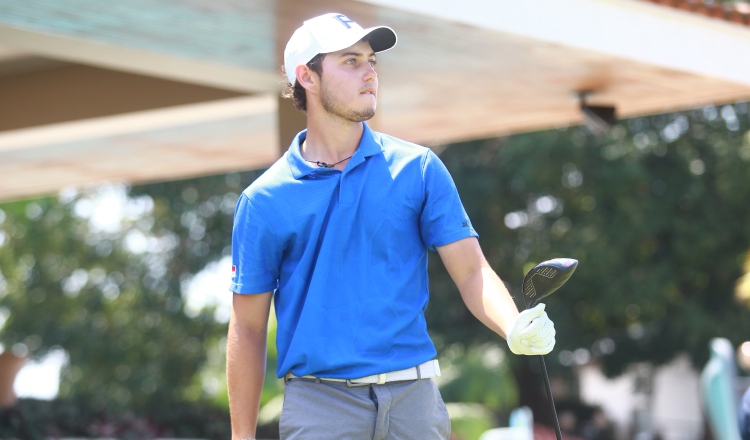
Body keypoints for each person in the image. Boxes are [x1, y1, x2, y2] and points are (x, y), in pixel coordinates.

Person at [226, 12, 556, 440]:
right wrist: (241, 437)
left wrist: (512, 324)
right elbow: (248, 329)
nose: (369, 73)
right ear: (307, 76)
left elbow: (473, 270)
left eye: (372, 61)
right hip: (321, 409)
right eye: (350, 61)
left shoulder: (419, 168)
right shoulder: (263, 200)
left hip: (414, 404)